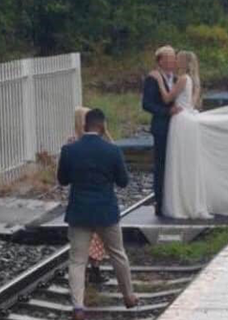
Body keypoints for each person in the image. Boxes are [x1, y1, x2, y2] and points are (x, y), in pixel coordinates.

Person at [58, 109, 138, 320]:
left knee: (77, 260)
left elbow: (63, 180)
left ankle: (78, 307)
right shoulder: (112, 151)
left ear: (85, 126)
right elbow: (123, 182)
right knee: (118, 254)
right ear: (102, 126)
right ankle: (128, 296)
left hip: (79, 212)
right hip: (106, 212)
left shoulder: (69, 150)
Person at [148, 51, 211, 219]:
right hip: (187, 118)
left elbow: (168, 98)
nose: (175, 61)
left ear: (184, 62)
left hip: (179, 121)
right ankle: (185, 201)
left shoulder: (182, 79)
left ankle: (178, 203)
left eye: (178, 59)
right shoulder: (191, 80)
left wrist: (160, 80)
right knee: (184, 163)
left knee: (177, 162)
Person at [72, 106, 111, 284]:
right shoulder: (98, 143)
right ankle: (94, 267)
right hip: (97, 198)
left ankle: (92, 268)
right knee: (96, 236)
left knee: (89, 237)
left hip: (80, 199)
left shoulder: (72, 144)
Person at [142, 45, 182, 216]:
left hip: (179, 127)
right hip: (162, 127)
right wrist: (166, 112)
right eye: (168, 59)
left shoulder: (178, 78)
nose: (171, 61)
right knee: (161, 164)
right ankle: (160, 201)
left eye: (173, 58)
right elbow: (147, 104)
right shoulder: (153, 78)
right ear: (160, 61)